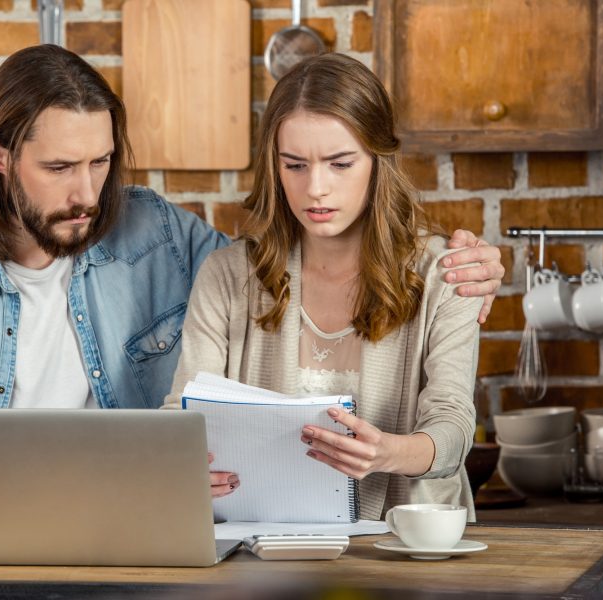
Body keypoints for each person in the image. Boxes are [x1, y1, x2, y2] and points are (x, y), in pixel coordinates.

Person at [0, 45, 502, 512]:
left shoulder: (154, 231)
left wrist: (467, 270)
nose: (88, 193)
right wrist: (153, 464)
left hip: (128, 526)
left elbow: (280, 266)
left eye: (102, 161)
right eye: (59, 167)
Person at [165, 53, 484, 520]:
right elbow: (183, 413)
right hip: (262, 544)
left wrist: (389, 453)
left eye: (339, 164)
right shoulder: (227, 275)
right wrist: (180, 462)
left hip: (405, 547)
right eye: (295, 165)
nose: (315, 188)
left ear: (378, 160)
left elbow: (453, 425)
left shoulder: (447, 273)